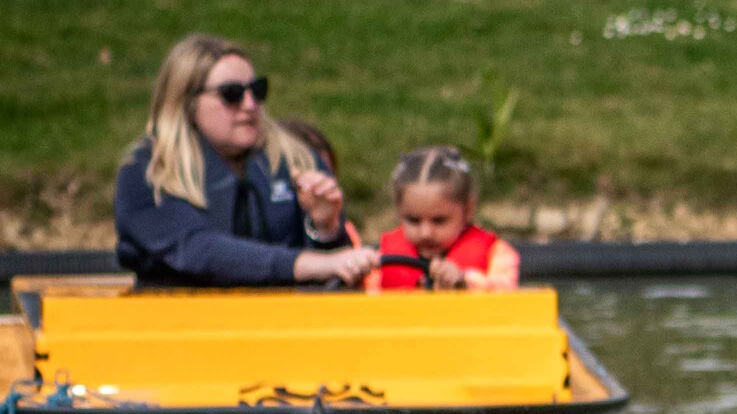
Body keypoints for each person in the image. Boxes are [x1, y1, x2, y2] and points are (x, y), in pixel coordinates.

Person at [112, 36, 371, 289]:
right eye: (231, 94)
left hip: (285, 323)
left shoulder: (296, 159)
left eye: (257, 90)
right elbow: (199, 252)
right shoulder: (149, 172)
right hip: (179, 322)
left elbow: (338, 272)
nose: (249, 105)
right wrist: (309, 263)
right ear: (187, 103)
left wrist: (325, 229)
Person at [366, 146, 521, 293]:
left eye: (439, 221)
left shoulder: (497, 255)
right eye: (413, 220)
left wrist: (465, 283)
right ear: (399, 211)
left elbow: (506, 295)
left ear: (468, 209)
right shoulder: (379, 262)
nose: (426, 233)